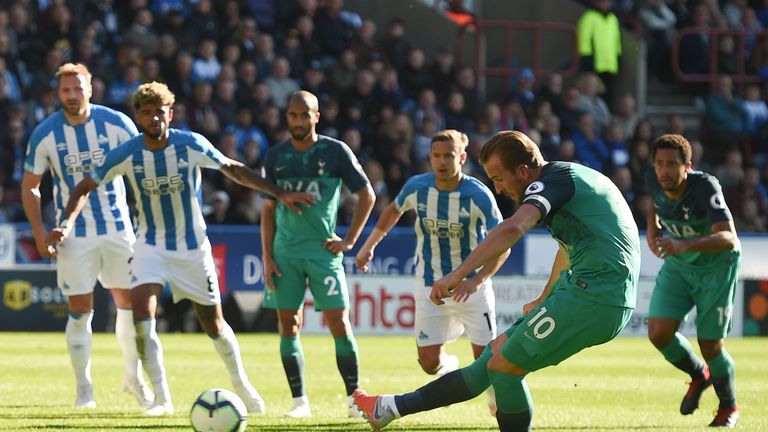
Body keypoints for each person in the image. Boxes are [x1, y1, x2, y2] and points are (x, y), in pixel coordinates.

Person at [49, 82, 315, 416]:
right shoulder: (128, 153)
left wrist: (278, 193)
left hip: (193, 250)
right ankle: (162, 399)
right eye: (146, 113)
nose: (154, 119)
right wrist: (66, 222)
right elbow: (85, 186)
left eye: (159, 113)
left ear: (170, 115)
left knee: (214, 326)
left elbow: (233, 169)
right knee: (142, 319)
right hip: (149, 247)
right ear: (139, 118)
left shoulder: (190, 144)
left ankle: (242, 385)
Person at [353, 130, 640, 431]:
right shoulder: (566, 181)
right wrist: (545, 298)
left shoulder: (551, 181)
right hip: (588, 290)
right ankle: (388, 408)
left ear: (523, 171)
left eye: (499, 178)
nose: (499, 189)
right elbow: (567, 250)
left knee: (503, 369)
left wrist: (458, 274)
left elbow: (513, 228)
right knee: (490, 360)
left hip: (596, 295)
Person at [21, 63, 153, 409]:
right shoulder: (45, 134)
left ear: (90, 89)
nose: (71, 96)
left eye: (77, 89)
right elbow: (31, 187)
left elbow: (143, 168)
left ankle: (133, 378)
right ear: (57, 94)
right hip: (72, 233)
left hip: (117, 227)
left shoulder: (117, 124)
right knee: (80, 309)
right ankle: (85, 390)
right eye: (65, 90)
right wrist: (38, 231)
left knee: (130, 304)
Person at [355, 129, 506, 415]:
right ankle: (449, 368)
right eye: (436, 156)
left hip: (469, 290)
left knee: (486, 361)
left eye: (448, 156)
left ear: (461, 158)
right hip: (429, 285)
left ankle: (497, 401)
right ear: (429, 158)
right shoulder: (417, 187)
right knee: (427, 363)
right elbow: (392, 211)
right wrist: (369, 244)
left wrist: (476, 280)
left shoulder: (478, 194)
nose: (442, 161)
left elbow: (503, 243)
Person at [261, 90, 375, 418]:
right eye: (293, 115)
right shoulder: (275, 156)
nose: (298, 121)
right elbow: (267, 210)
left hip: (324, 253)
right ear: (287, 117)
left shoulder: (335, 151)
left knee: (338, 321)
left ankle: (355, 399)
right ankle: (300, 402)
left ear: (316, 116)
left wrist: (350, 240)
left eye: (304, 114)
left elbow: (366, 194)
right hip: (284, 253)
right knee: (288, 324)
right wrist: (267, 257)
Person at [645, 134, 741, 428]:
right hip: (680, 265)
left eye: (672, 164)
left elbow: (728, 238)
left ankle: (728, 407)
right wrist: (652, 233)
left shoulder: (704, 186)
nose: (664, 171)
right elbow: (655, 207)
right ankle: (700, 376)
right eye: (659, 164)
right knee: (658, 333)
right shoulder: (654, 182)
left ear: (687, 166)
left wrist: (684, 245)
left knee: (710, 344)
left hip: (716, 267)